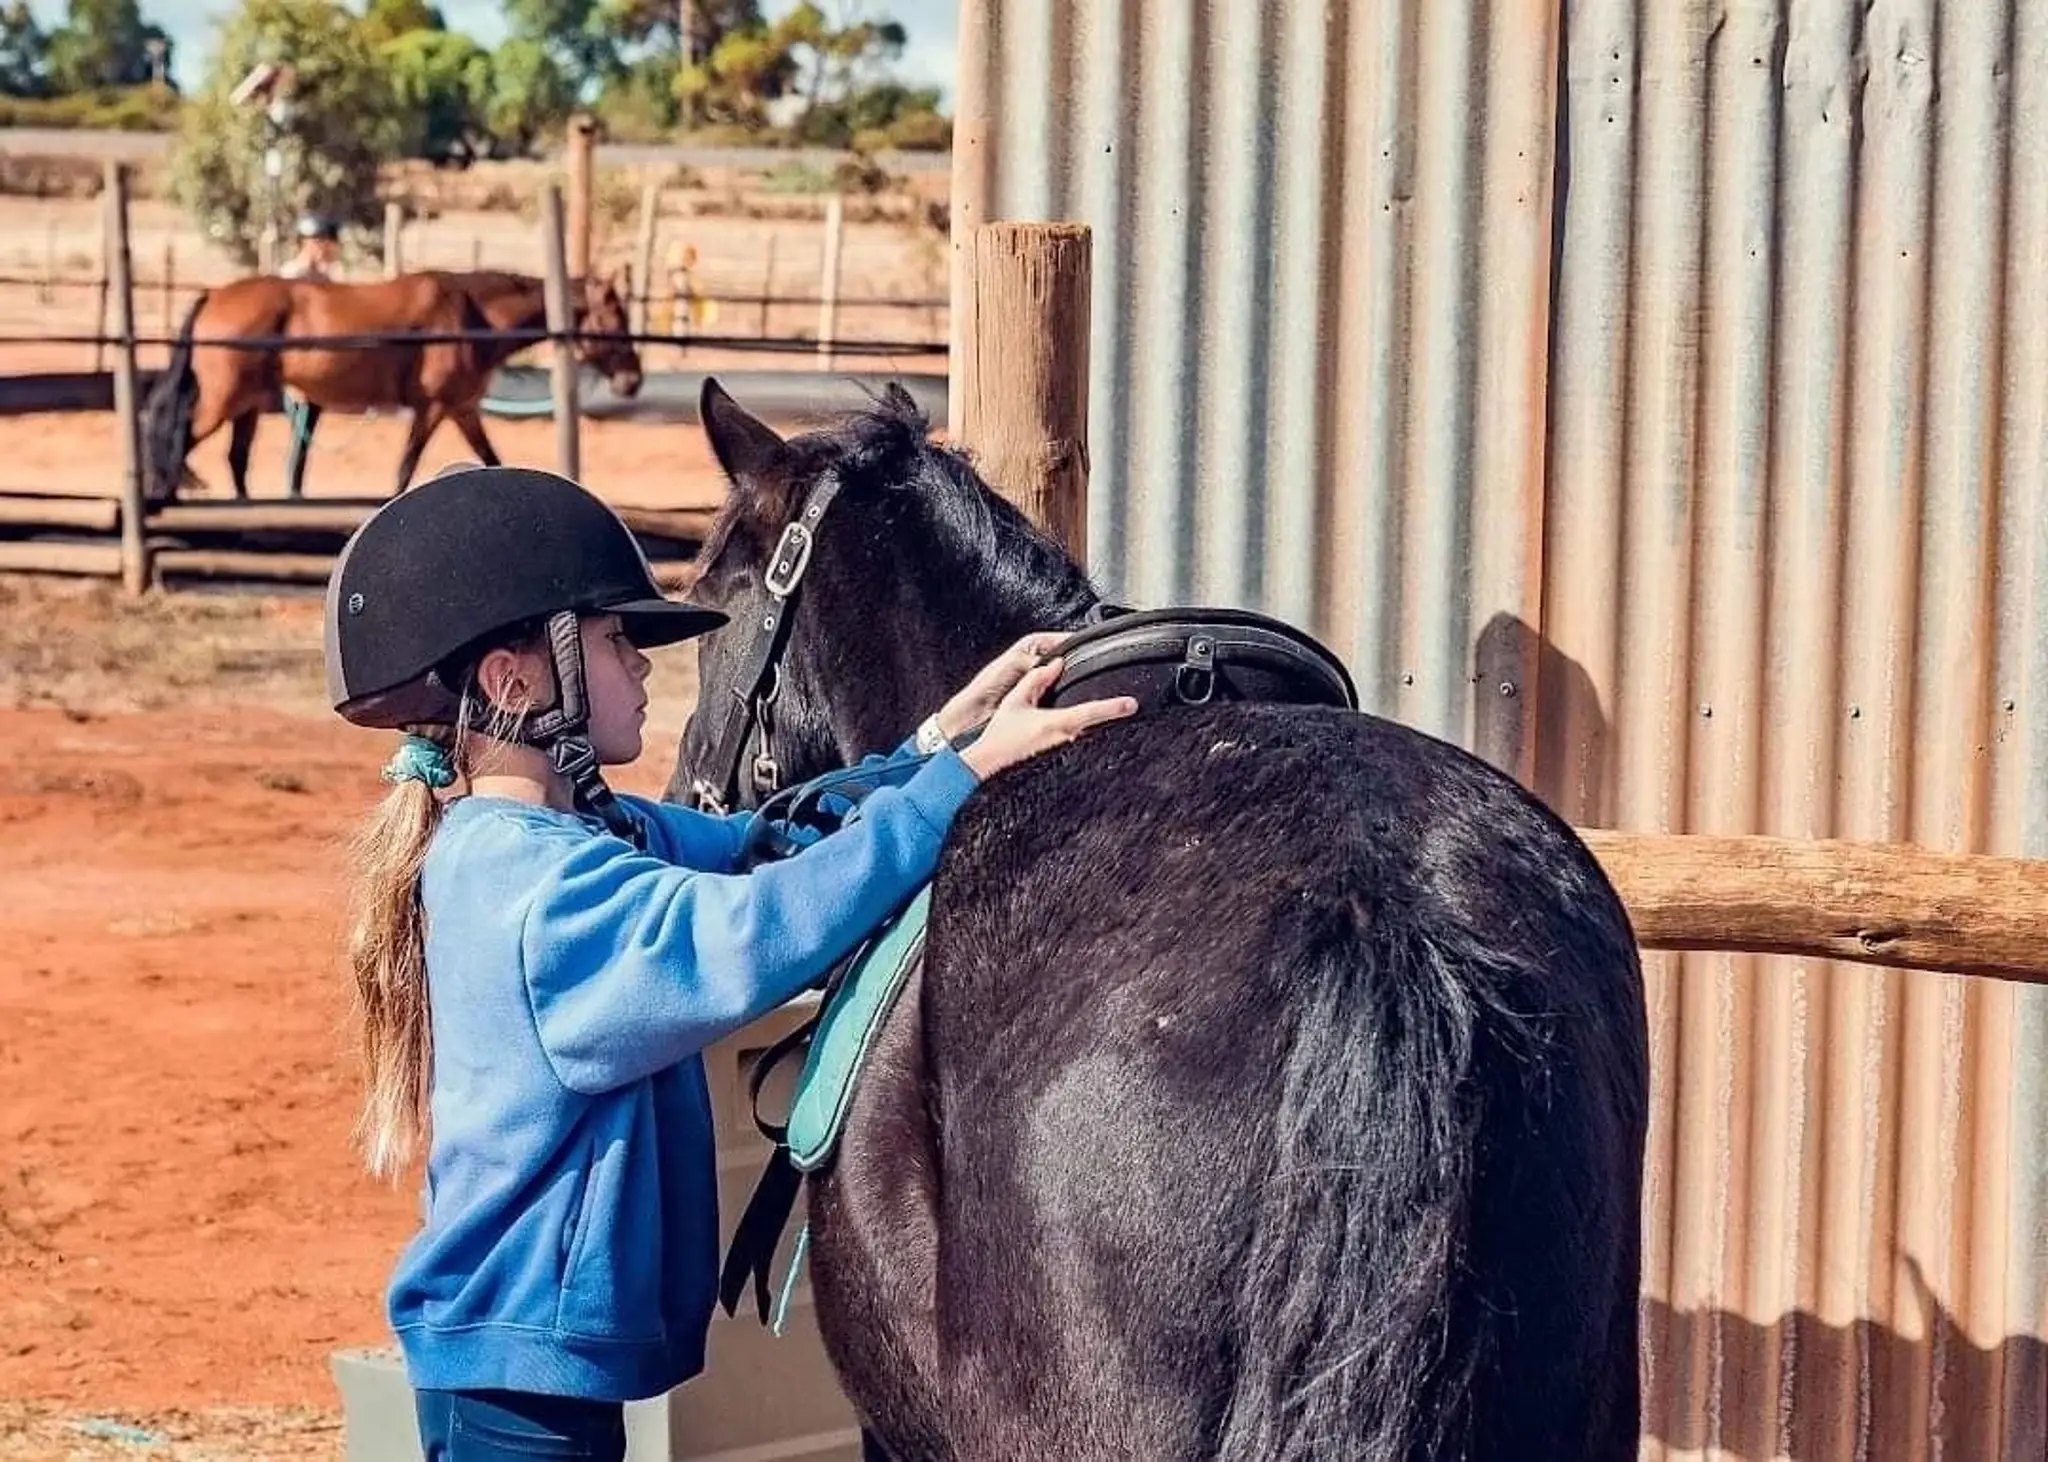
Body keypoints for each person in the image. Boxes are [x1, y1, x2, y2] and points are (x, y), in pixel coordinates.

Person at [323, 463, 1135, 1462]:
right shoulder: (537, 893)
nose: (646, 666)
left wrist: (934, 745)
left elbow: (767, 843)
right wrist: (958, 786)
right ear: (515, 680)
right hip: (515, 1392)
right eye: (618, 640)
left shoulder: (586, 836)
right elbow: (753, 929)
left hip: (523, 1370)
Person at [279, 213, 341, 497]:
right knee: (300, 432)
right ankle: (292, 488)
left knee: (305, 433)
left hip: (318, 366)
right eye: (322, 243)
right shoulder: (291, 277)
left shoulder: (328, 279)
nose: (327, 249)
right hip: (296, 367)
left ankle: (294, 488)